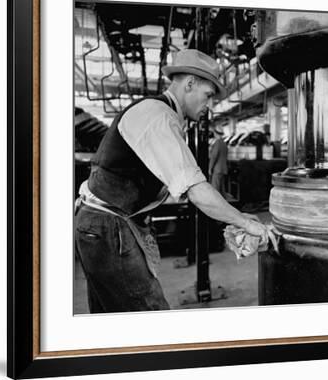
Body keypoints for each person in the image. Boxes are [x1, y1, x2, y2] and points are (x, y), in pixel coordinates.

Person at [74, 49, 267, 313]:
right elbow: (195, 188)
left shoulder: (161, 115)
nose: (209, 105)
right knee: (149, 315)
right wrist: (244, 222)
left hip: (102, 223)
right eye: (208, 95)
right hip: (109, 225)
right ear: (189, 84)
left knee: (110, 317)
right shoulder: (157, 116)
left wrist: (231, 215)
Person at [209, 125, 229, 198]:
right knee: (222, 190)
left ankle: (216, 206)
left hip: (217, 169)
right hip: (223, 169)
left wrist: (210, 168)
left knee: (215, 190)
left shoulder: (217, 143)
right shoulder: (224, 143)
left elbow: (214, 156)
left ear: (215, 133)